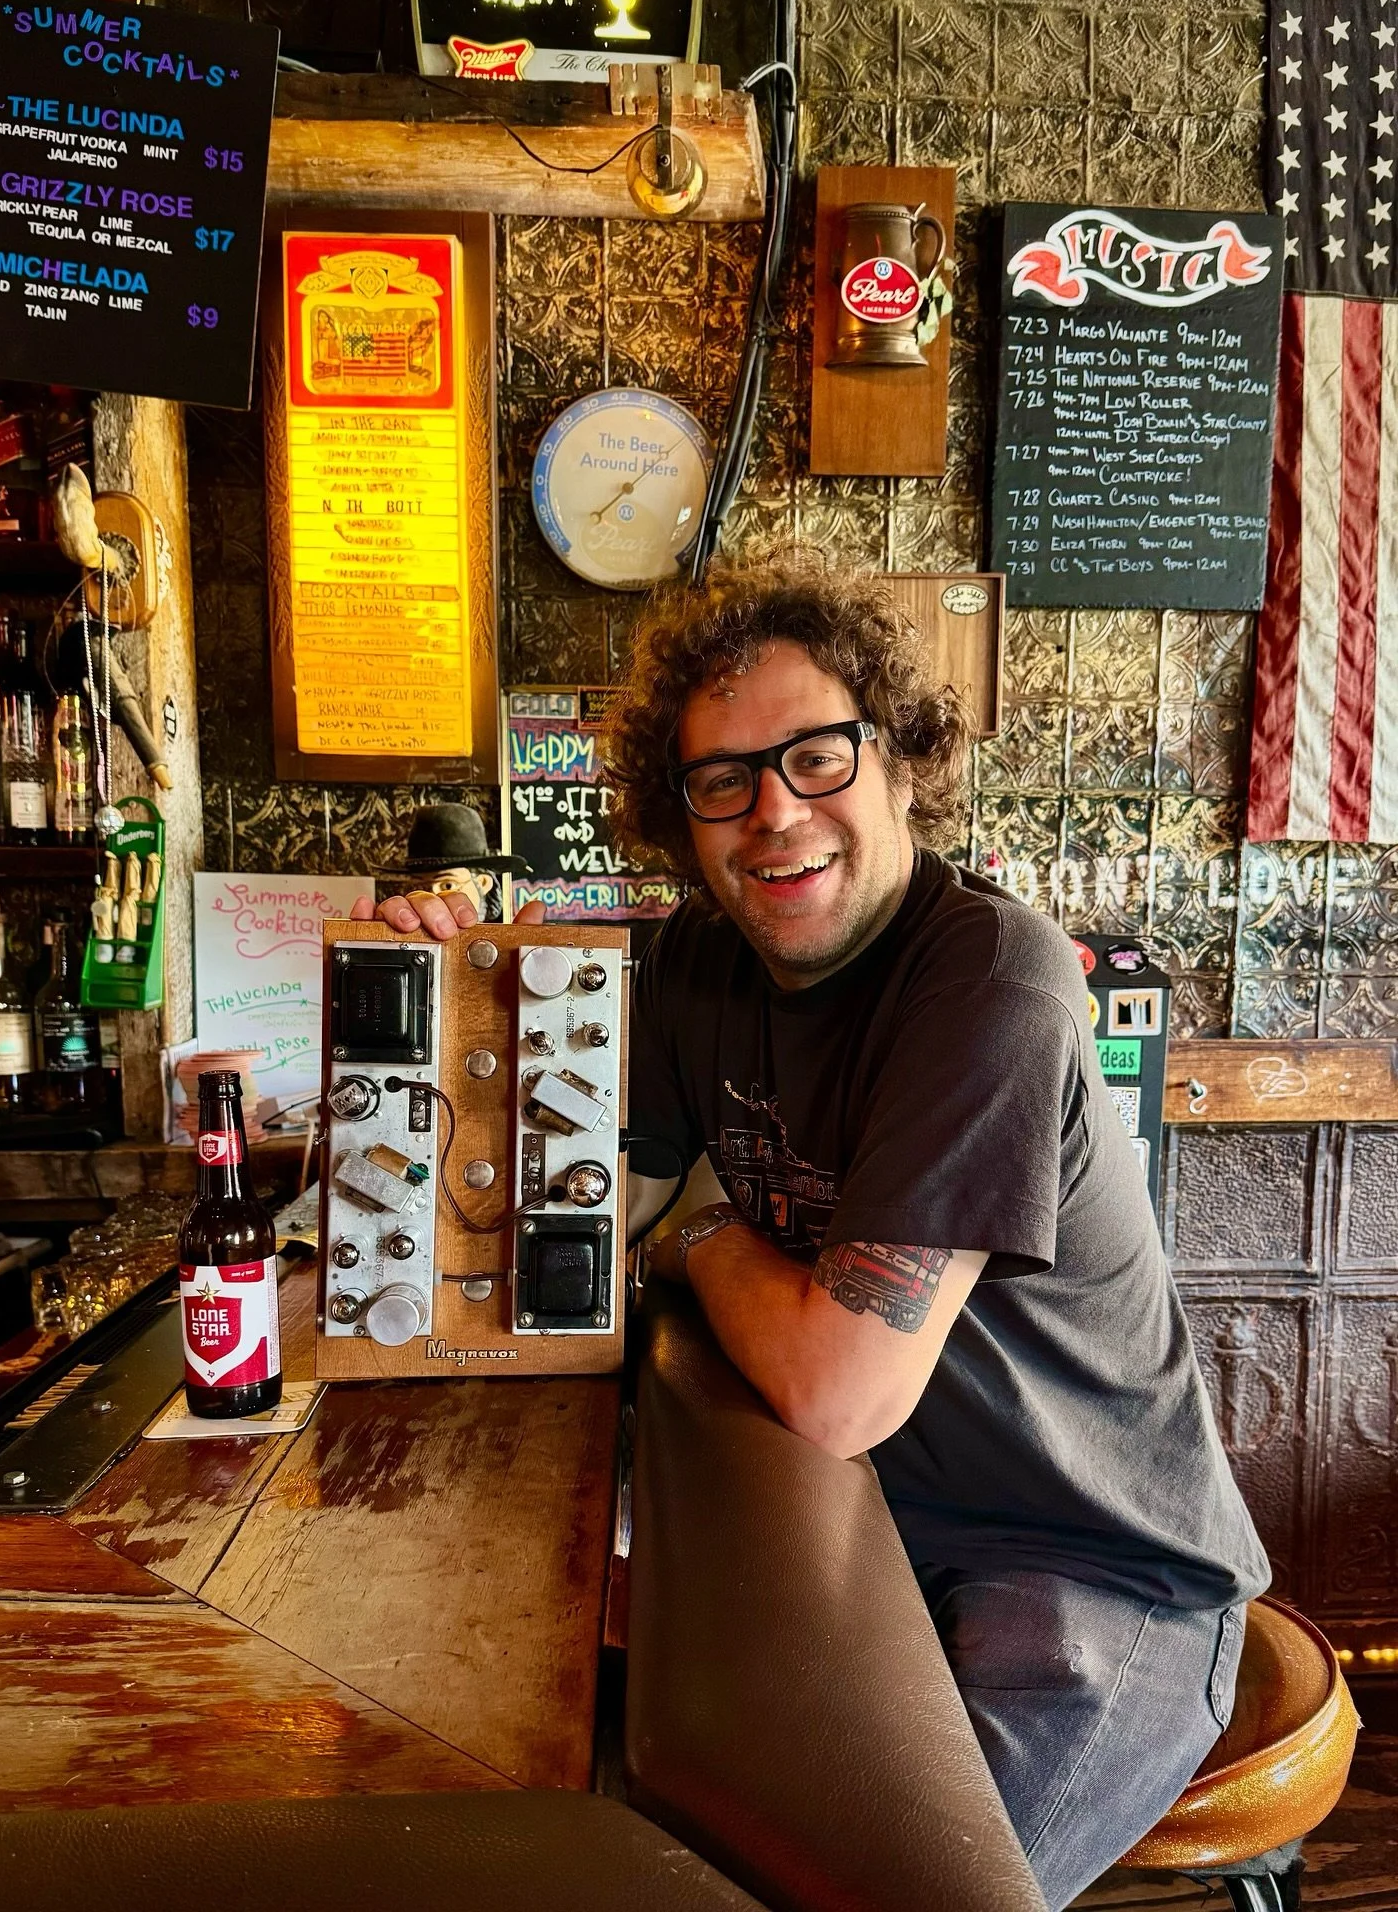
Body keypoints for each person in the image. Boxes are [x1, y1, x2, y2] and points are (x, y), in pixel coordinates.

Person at [354, 542, 1270, 1910]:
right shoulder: (694, 969)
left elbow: (840, 1388)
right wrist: (439, 1010)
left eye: (817, 757)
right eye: (722, 780)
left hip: (1091, 1566)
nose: (774, 812)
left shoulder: (988, 983)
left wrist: (698, 1240)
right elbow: (563, 1214)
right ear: (679, 817)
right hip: (862, 1534)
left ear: (899, 759)